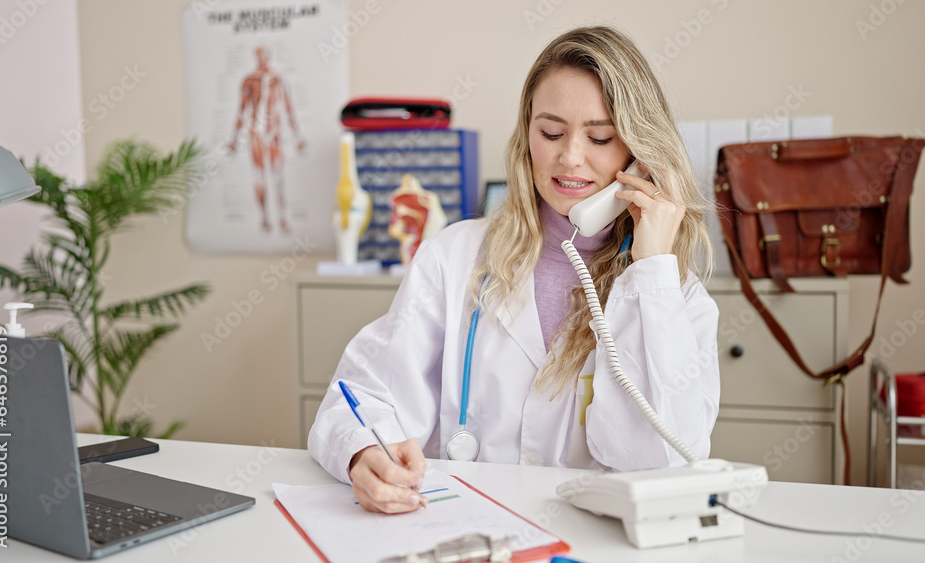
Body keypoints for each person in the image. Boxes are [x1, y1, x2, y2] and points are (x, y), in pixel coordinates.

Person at [309, 25, 719, 514]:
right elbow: (361, 394)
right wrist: (363, 451)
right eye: (550, 131)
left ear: (641, 151)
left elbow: (664, 462)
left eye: (601, 136)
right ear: (527, 134)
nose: (570, 156)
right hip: (461, 531)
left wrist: (651, 269)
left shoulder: (675, 297)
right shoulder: (454, 256)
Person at [227, 45, 306, 233]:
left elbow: (288, 107)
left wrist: (297, 137)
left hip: (275, 132)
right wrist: (234, 139)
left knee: (278, 176)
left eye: (265, 54)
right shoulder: (249, 80)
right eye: (259, 55)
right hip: (255, 132)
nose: (263, 58)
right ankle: (264, 217)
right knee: (260, 176)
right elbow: (242, 110)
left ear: (269, 56)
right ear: (256, 56)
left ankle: (283, 218)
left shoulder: (278, 79)